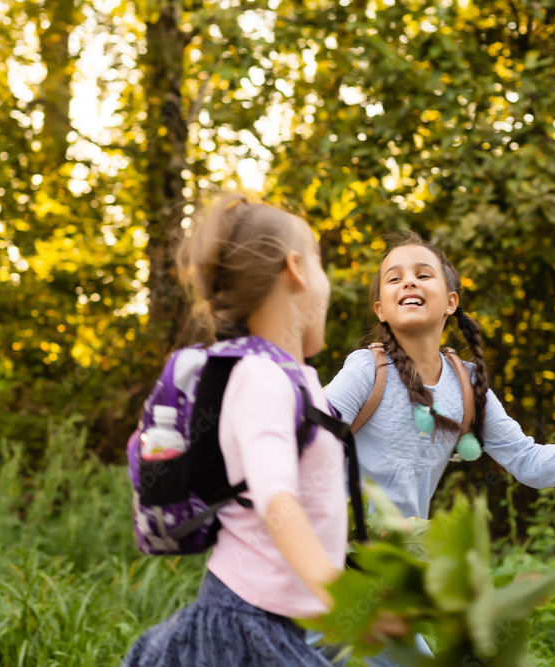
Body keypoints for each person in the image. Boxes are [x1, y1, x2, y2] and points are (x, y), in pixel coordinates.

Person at [312, 230, 555, 667]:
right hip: (324, 555)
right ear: (381, 308)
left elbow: (529, 463)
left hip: (388, 572)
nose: (409, 283)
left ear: (451, 301)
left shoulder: (468, 386)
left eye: (423, 274)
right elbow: (306, 432)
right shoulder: (366, 369)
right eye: (393, 279)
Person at [123, 193, 399, 666]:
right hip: (241, 627)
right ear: (296, 269)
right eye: (320, 262)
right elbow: (277, 502)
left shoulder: (292, 379)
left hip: (270, 625)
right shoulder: (262, 378)